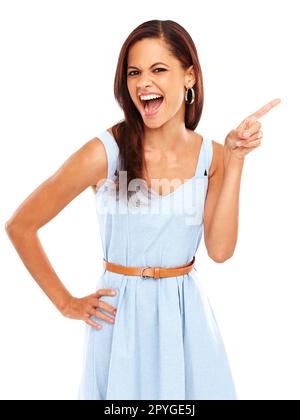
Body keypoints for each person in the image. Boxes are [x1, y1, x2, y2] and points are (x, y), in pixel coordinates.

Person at [5, 19, 281, 400]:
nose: (143, 83)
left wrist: (235, 160)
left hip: (187, 320)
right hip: (120, 322)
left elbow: (219, 251)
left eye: (158, 70)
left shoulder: (212, 156)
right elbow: (21, 225)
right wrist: (66, 303)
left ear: (189, 77)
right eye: (134, 72)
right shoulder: (104, 153)